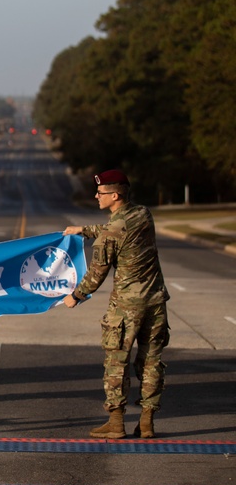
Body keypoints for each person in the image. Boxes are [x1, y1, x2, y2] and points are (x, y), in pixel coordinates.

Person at [62, 169, 170, 440]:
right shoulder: (143, 214)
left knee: (116, 363)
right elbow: (116, 228)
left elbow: (97, 273)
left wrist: (76, 296)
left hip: (125, 308)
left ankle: (116, 422)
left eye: (100, 193)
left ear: (115, 195)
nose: (95, 196)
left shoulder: (110, 234)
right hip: (155, 303)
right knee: (151, 362)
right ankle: (147, 422)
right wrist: (84, 230)